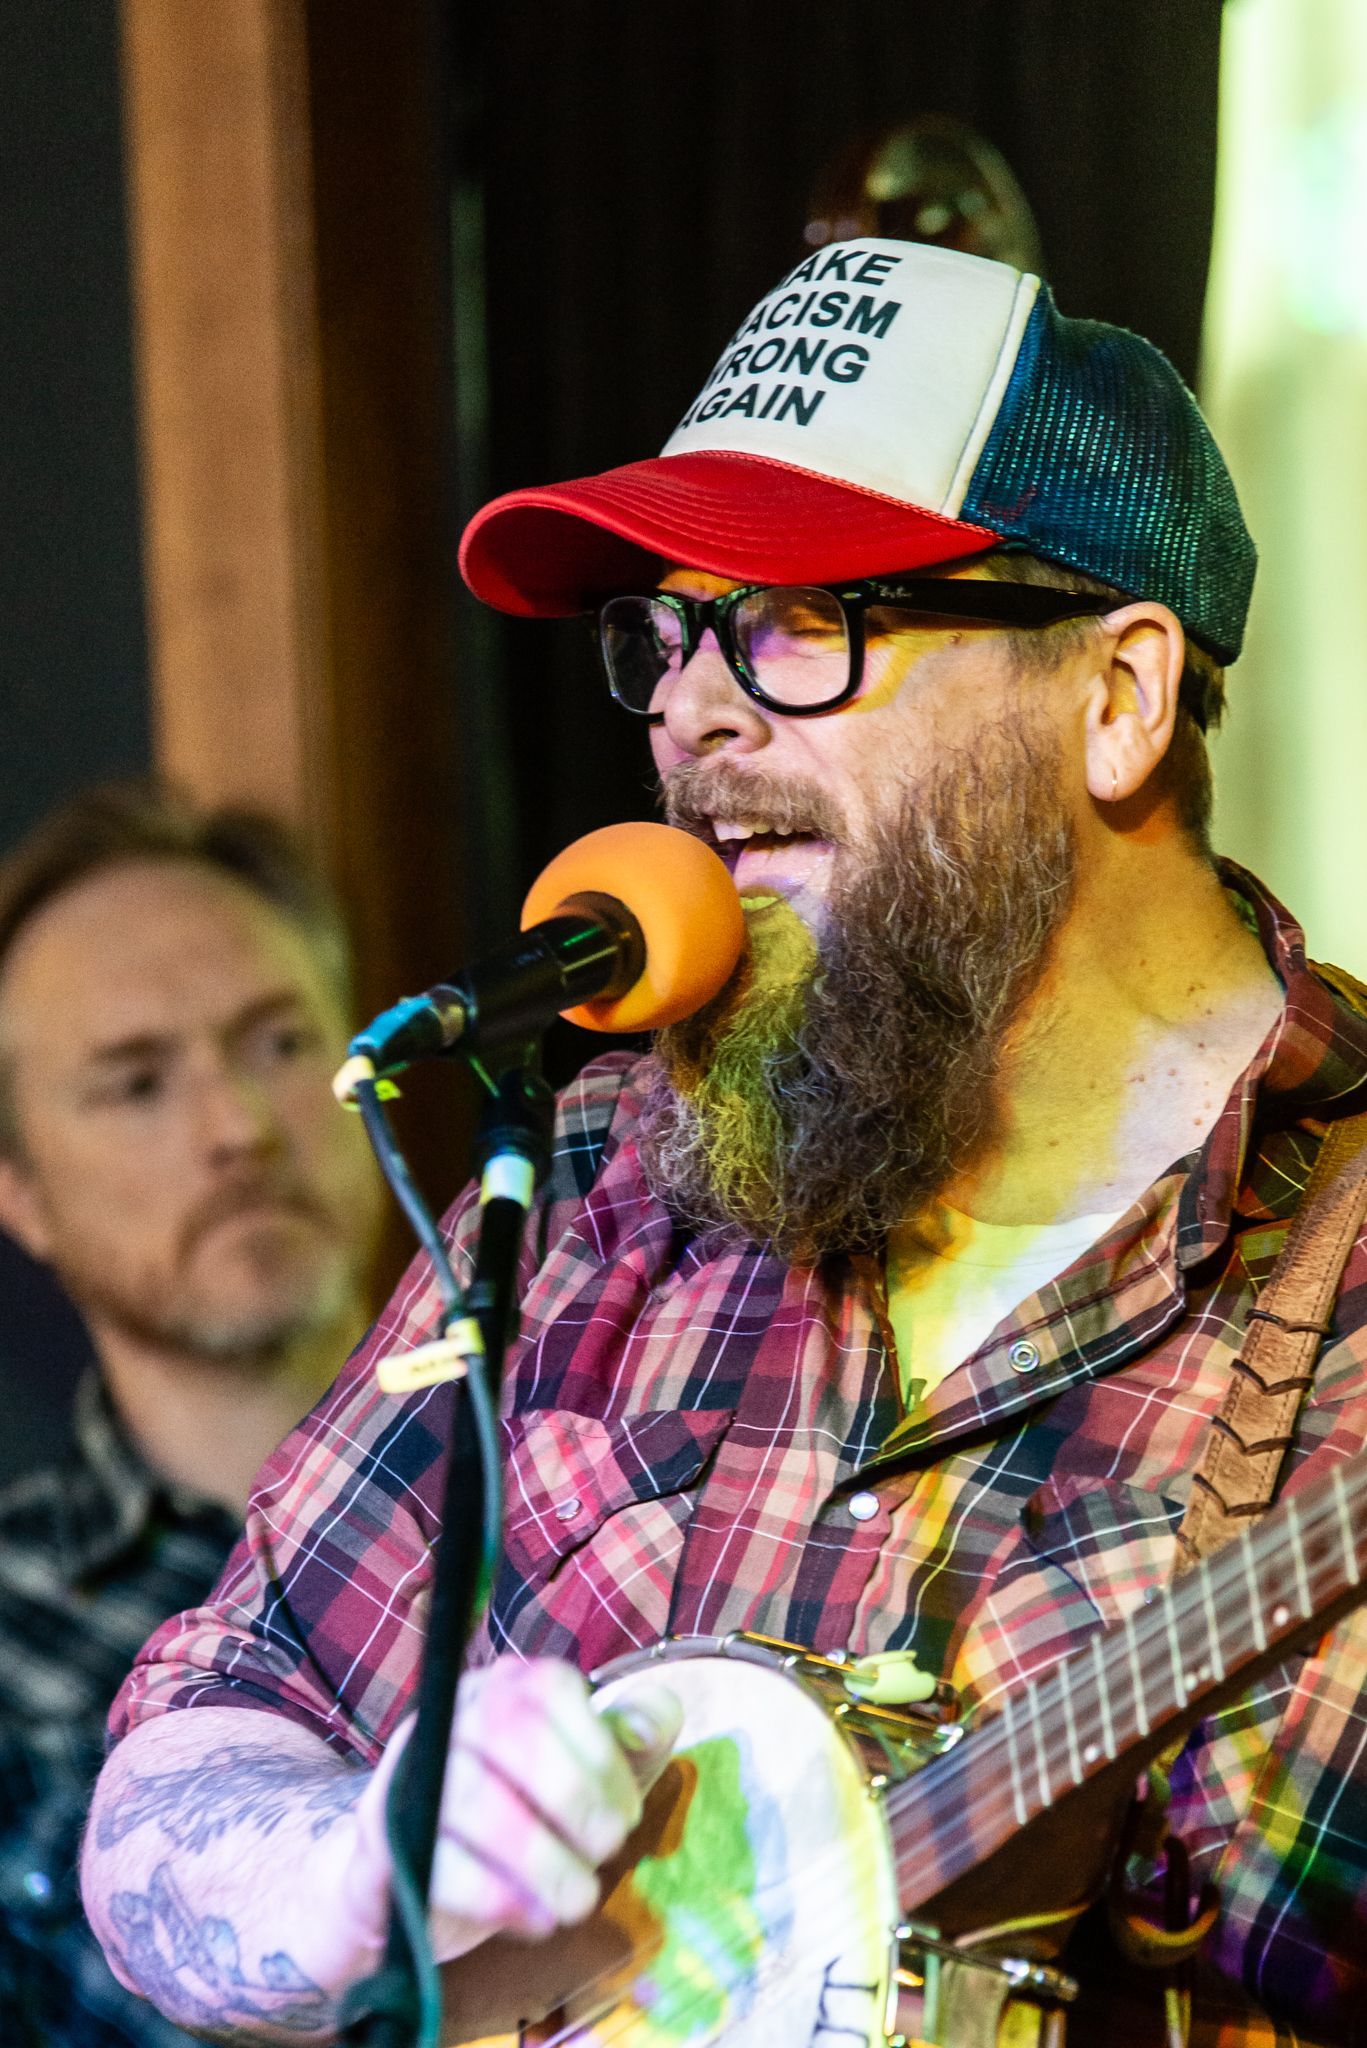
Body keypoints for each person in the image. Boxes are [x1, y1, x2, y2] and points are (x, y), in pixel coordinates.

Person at [81, 239, 1367, 2045]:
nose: (689, 710)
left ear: (1117, 697)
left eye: (801, 619)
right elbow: (209, 1717)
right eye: (670, 631)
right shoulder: (605, 1171)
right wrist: (354, 1861)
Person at [0, 782, 383, 2044]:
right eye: (136, 1081)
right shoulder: (15, 1632)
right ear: (22, 1191)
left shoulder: (594, 1465)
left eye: (279, 1042)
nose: (237, 1129)